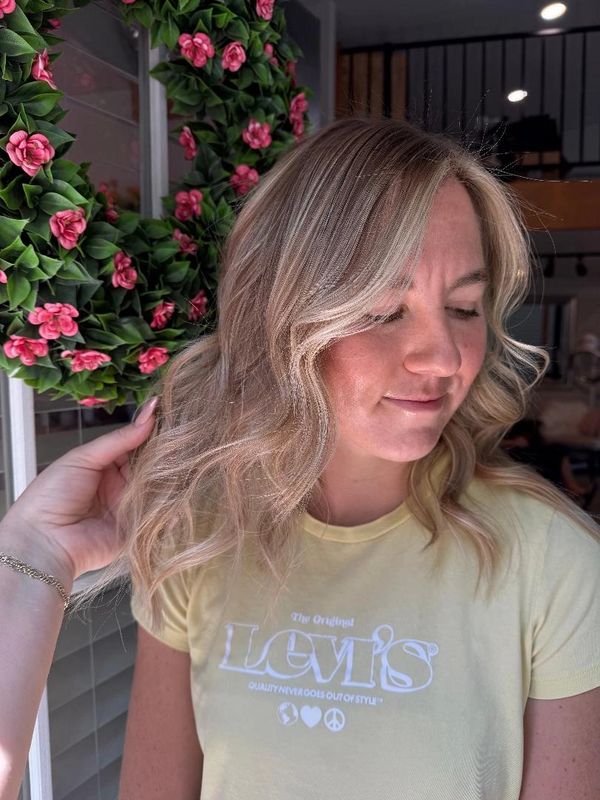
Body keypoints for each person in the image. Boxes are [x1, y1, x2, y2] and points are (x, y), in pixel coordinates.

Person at [1, 117, 599, 800]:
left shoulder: (553, 562)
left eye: (464, 306)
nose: (443, 356)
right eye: (382, 310)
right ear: (282, 315)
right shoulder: (201, 537)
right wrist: (34, 556)